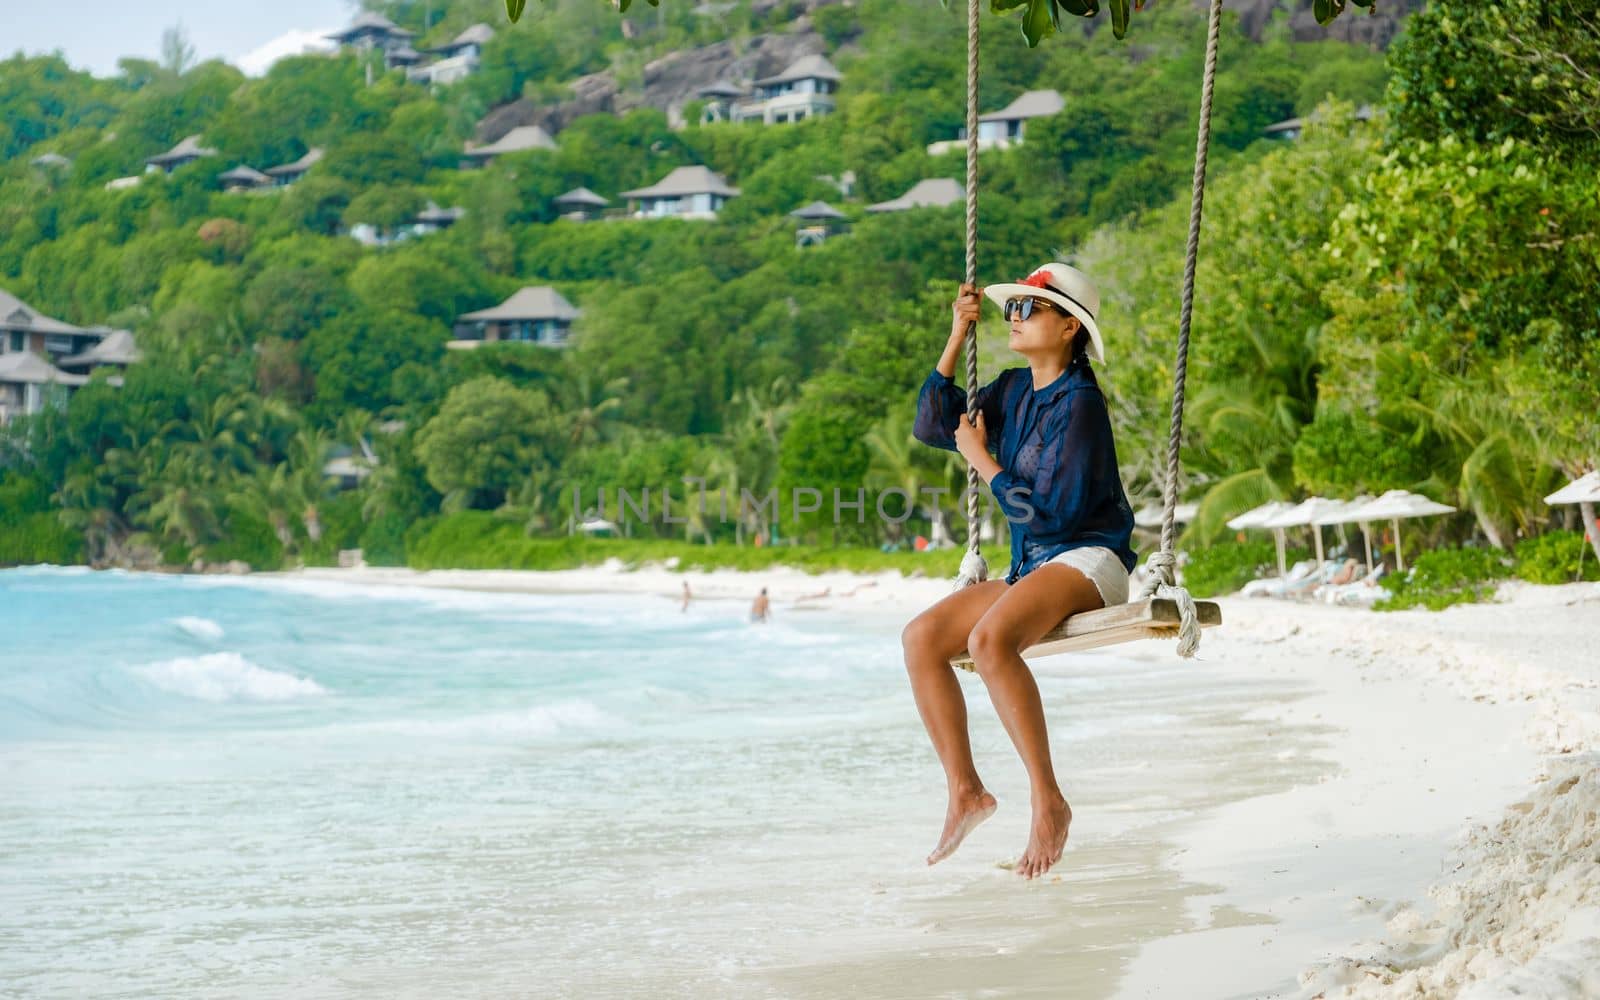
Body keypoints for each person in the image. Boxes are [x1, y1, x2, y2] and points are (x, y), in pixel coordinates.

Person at [901, 263, 1138, 881]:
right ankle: (966, 791)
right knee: (922, 639)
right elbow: (933, 424)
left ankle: (1048, 799)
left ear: (1068, 327)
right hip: (1034, 565)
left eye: (1031, 309)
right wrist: (956, 336)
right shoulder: (1010, 390)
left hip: (1088, 558)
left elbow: (1056, 515)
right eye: (1013, 308)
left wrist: (982, 460)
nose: (1015, 317)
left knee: (987, 641)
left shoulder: (1080, 404)